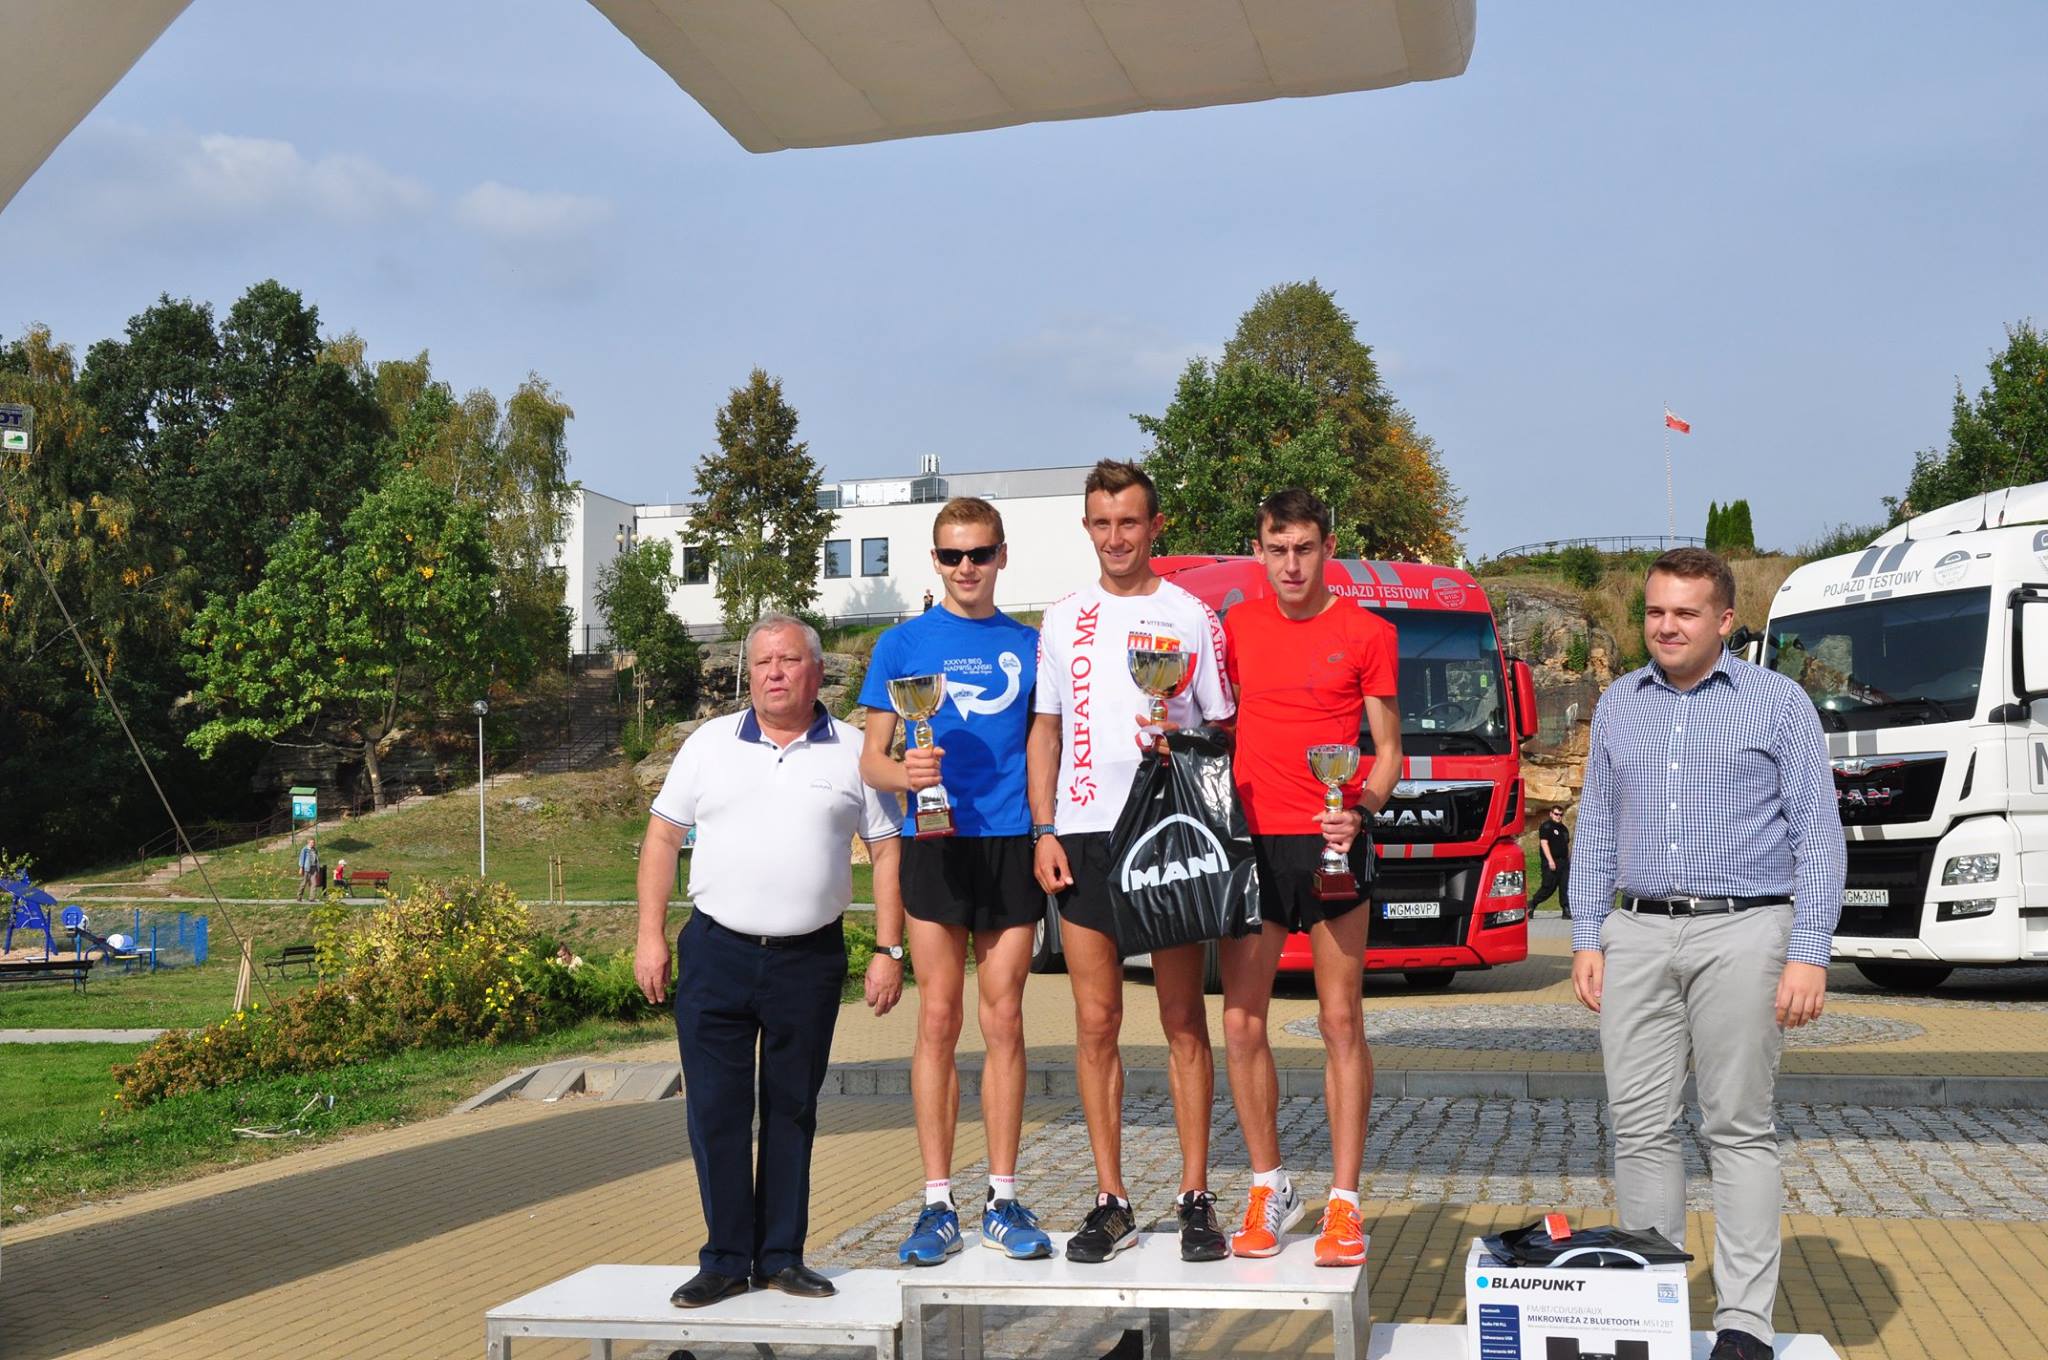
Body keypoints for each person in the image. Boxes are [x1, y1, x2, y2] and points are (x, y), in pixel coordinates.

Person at [1569, 548, 1843, 1360]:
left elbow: (1818, 837)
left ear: (1724, 620)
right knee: (1641, 1128)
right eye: (1655, 611)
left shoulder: (1779, 704)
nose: (1666, 626)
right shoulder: (1619, 704)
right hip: (1639, 932)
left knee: (1738, 1128)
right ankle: (1650, 1311)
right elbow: (1597, 829)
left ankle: (1744, 1324)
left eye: (1685, 613)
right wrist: (1587, 934)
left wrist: (1810, 951)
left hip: (1746, 929)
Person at [634, 613, 908, 1309]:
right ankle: (725, 1259)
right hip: (716, 953)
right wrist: (649, 935)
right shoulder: (707, 745)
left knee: (790, 1110)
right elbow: (663, 838)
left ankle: (782, 1256)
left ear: (815, 671)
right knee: (718, 1114)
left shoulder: (854, 750)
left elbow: (887, 850)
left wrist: (887, 948)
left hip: (807, 960)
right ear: (747, 673)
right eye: (763, 662)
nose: (775, 672)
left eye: (789, 660)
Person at [1028, 458, 1235, 1264]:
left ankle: (1194, 1195)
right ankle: (1111, 1197)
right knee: (1095, 1023)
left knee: (1183, 1018)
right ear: (1088, 529)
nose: (1115, 538)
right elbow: (1044, 731)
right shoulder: (1062, 618)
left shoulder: (1191, 616)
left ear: (1155, 528)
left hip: (1168, 832)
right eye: (1101, 524)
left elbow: (1220, 729)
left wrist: (1177, 742)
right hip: (1081, 835)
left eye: (1129, 523)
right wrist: (1042, 829)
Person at [858, 497, 1051, 1265]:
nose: (966, 568)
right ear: (934, 563)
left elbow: (1047, 745)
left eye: (979, 553)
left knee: (1003, 1020)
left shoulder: (1032, 646)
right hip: (931, 843)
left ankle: (1002, 1196)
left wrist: (1045, 833)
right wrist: (903, 772)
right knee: (939, 1018)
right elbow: (869, 759)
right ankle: (936, 1204)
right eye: (951, 556)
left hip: (1008, 843)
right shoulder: (901, 644)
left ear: (1002, 556)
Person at [1217, 489, 1401, 1268]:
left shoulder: (1369, 632)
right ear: (1259, 549)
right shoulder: (1236, 627)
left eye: (1304, 548)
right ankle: (1269, 1185)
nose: (1290, 564)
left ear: (1328, 548)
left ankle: (1347, 1204)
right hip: (1251, 843)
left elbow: (1388, 752)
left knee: (1340, 1024)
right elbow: (1219, 724)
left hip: (1331, 842)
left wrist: (1356, 807)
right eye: (1276, 547)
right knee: (1240, 1021)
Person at [1529, 804, 1571, 918]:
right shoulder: (1546, 826)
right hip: (1551, 862)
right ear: (1551, 814)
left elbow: (1566, 845)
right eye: (1556, 814)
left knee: (1564, 886)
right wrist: (1550, 860)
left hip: (1564, 862)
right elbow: (1544, 843)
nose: (1558, 817)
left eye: (1560, 815)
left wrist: (1568, 860)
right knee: (1548, 887)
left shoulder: (1563, 829)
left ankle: (1566, 909)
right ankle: (1532, 904)